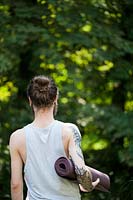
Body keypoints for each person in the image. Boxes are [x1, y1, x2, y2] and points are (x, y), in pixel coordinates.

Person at [9, 75, 99, 200]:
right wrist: (88, 186)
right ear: (56, 97)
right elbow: (81, 170)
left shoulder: (17, 137)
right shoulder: (69, 131)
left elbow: (16, 185)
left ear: (30, 100)